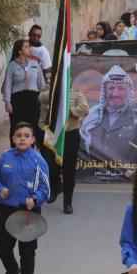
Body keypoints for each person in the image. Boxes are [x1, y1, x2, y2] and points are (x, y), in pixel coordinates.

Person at [0, 122, 50, 274]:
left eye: (26, 135)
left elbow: (46, 189)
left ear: (32, 140)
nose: (22, 138)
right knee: (2, 247)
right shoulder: (5, 158)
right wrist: (0, 189)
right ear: (13, 138)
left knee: (28, 253)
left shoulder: (38, 160)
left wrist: (36, 199)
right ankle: (11, 269)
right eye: (18, 135)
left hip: (28, 213)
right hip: (7, 210)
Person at [80, 66, 137, 164]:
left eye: (121, 88)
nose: (115, 93)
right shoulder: (90, 117)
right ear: (104, 91)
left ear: (129, 92)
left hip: (124, 176)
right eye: (111, 88)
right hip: (90, 175)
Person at [39, 82, 89, 214]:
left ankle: (68, 202)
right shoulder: (49, 90)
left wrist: (69, 110)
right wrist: (55, 94)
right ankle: (55, 187)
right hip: (51, 134)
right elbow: (41, 98)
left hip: (70, 134)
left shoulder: (76, 92)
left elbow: (84, 108)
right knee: (50, 165)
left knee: (69, 170)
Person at [3, 39, 46, 146]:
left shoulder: (35, 64)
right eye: (26, 47)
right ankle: (15, 152)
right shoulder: (12, 66)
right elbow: (7, 85)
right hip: (17, 100)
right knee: (16, 126)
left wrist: (44, 99)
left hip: (33, 99)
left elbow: (42, 85)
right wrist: (7, 102)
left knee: (33, 127)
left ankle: (31, 152)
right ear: (19, 51)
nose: (29, 49)